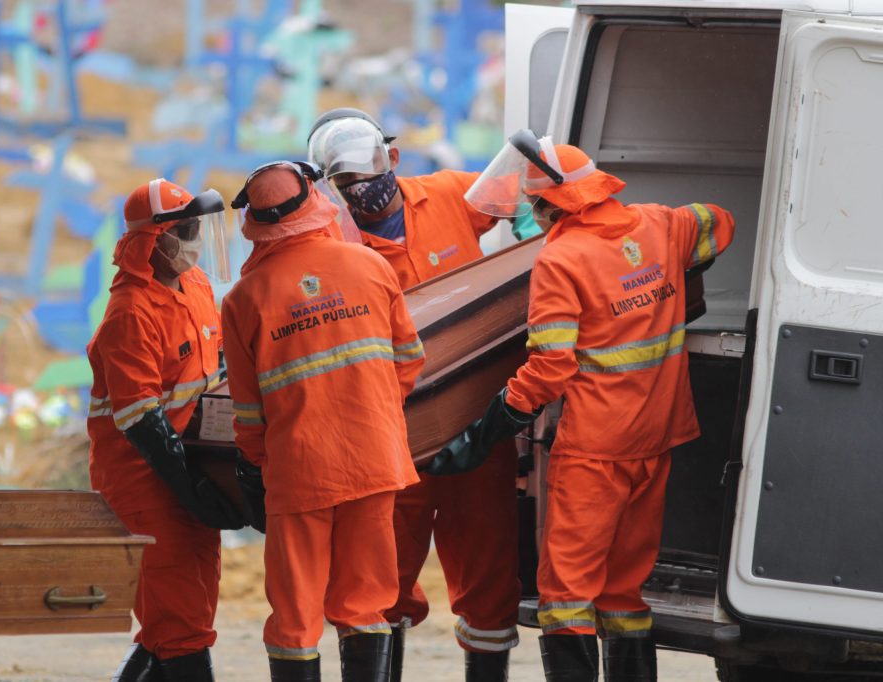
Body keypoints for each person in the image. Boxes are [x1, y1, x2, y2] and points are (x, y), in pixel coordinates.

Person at [430, 132, 737, 682]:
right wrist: (687, 267)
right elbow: (719, 219)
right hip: (660, 434)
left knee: (566, 596)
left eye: (537, 206)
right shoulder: (663, 224)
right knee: (623, 589)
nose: (536, 217)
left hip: (595, 448)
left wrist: (489, 429)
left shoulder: (563, 259)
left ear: (555, 204)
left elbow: (550, 367)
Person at [307, 108, 522, 681]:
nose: (362, 189)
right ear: (331, 187)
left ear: (393, 160)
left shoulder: (452, 195)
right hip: (387, 441)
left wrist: (535, 239)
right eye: (346, 183)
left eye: (368, 173)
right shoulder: (329, 245)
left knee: (488, 570)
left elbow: (526, 198)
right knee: (379, 579)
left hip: (477, 430)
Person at [221, 161, 426, 682]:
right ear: (313, 202)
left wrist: (259, 465)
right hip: (375, 459)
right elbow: (410, 359)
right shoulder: (371, 265)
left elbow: (246, 410)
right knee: (366, 604)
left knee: (294, 615)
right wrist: (373, 410)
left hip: (298, 469)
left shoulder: (244, 299)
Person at [87, 178, 243, 682]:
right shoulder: (130, 313)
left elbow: (215, 369)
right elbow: (141, 419)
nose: (197, 239)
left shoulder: (194, 284)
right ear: (154, 240)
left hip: (187, 467)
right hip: (145, 480)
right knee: (179, 625)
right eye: (188, 229)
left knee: (182, 616)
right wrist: (191, 487)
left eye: (199, 226)